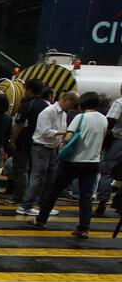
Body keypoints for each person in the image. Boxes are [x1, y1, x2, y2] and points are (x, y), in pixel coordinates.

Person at [28, 91, 108, 238]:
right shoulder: (104, 119)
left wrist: (64, 142)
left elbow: (68, 138)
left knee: (54, 190)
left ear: (82, 103)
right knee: (86, 196)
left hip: (73, 161)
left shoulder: (80, 117)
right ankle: (83, 228)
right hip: (93, 163)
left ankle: (40, 220)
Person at [19, 90, 79, 216]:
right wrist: (64, 132)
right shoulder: (49, 111)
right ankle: (25, 206)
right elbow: (45, 132)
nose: (71, 107)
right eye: (71, 104)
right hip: (41, 147)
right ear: (65, 99)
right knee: (38, 177)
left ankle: (44, 205)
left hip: (53, 148)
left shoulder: (63, 113)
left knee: (49, 178)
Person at [7, 79, 46, 204]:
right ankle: (32, 197)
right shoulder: (46, 105)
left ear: (28, 90)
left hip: (24, 142)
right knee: (35, 172)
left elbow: (19, 124)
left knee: (21, 169)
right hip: (40, 143)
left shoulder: (27, 104)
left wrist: (12, 140)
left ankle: (20, 196)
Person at [97, 83, 122, 216]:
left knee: (107, 171)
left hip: (118, 141)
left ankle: (101, 204)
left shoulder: (119, 102)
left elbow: (110, 122)